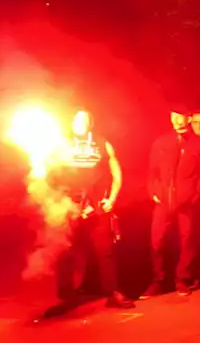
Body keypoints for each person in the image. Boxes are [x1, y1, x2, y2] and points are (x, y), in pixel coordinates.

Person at [42, 110, 135, 317]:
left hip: (98, 206)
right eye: (77, 118)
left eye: (85, 119)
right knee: (66, 251)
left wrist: (111, 199)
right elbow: (50, 175)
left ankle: (112, 293)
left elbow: (116, 173)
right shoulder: (61, 145)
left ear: (90, 123)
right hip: (71, 206)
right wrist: (62, 200)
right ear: (72, 122)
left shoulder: (102, 143)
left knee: (105, 250)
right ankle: (65, 297)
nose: (81, 122)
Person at [144, 104, 200, 297]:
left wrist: (196, 195)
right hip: (164, 200)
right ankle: (160, 280)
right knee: (157, 240)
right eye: (174, 117)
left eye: (182, 117)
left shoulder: (198, 144)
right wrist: (153, 192)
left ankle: (183, 279)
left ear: (188, 119)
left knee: (187, 240)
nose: (178, 121)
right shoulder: (161, 143)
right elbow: (152, 172)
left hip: (186, 201)